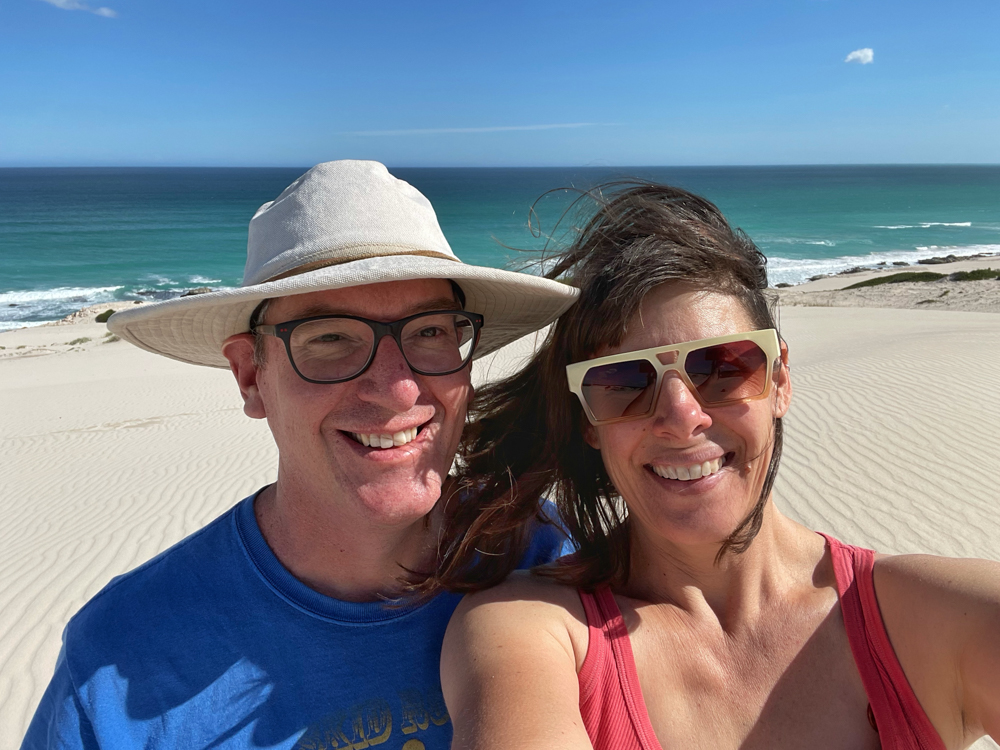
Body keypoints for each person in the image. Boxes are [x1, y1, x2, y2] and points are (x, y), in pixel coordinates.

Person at [20, 160, 578, 750]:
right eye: (331, 338)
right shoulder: (120, 657)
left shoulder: (542, 553)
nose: (399, 388)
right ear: (251, 378)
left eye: (432, 331)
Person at [437, 182, 1000, 749]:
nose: (681, 416)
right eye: (625, 382)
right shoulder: (530, 636)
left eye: (723, 366)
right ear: (588, 419)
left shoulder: (951, 620)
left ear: (780, 381)